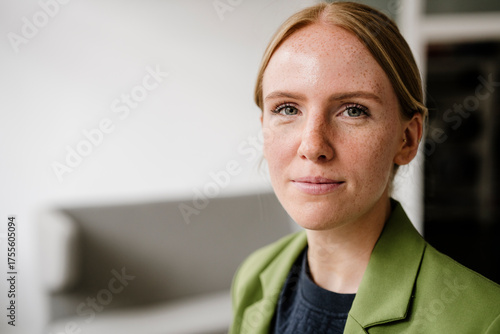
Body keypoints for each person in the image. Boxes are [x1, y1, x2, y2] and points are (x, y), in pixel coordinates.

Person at [229, 2, 500, 333]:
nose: (312, 146)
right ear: (263, 127)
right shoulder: (253, 276)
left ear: (407, 139)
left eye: (353, 110)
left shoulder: (484, 320)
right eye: (287, 109)